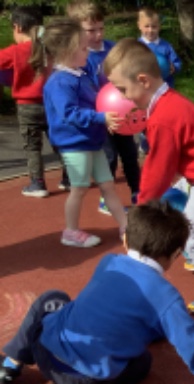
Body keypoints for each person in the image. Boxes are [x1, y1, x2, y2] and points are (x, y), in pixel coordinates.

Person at [0, 201, 194, 384]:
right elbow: (189, 341)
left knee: (52, 298)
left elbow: (112, 305)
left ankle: (12, 361)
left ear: (126, 239)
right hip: (84, 377)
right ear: (176, 254)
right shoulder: (166, 297)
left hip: (44, 349)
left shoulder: (109, 261)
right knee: (141, 363)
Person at [103, 38, 194, 315]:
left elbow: (158, 168)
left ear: (143, 80)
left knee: (190, 236)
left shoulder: (163, 118)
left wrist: (141, 207)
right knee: (192, 213)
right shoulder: (171, 101)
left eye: (123, 89)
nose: (123, 97)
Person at [40, 17, 127, 248]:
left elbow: (97, 99)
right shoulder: (59, 82)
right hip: (74, 143)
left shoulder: (81, 73)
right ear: (66, 52)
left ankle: (125, 225)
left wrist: (105, 117)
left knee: (108, 185)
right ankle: (70, 231)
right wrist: (101, 118)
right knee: (79, 188)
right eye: (82, 48)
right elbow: (70, 113)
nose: (87, 51)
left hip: (92, 141)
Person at [66, 0, 141, 214]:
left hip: (123, 114)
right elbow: (85, 89)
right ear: (77, 30)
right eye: (91, 30)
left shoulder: (112, 48)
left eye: (101, 28)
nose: (98, 34)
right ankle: (106, 199)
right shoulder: (81, 57)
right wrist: (101, 115)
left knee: (130, 154)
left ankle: (138, 193)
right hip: (100, 117)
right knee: (109, 157)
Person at [0, 7, 69, 198]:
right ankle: (70, 177)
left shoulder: (15, 52)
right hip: (51, 103)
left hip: (26, 106)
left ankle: (37, 183)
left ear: (17, 27)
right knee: (58, 140)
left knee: (32, 146)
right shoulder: (49, 48)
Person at [137, 6, 181, 87]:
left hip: (165, 86)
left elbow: (177, 63)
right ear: (139, 25)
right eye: (146, 26)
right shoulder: (136, 46)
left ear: (159, 26)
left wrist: (174, 67)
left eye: (154, 27)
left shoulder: (166, 46)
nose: (150, 30)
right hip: (144, 88)